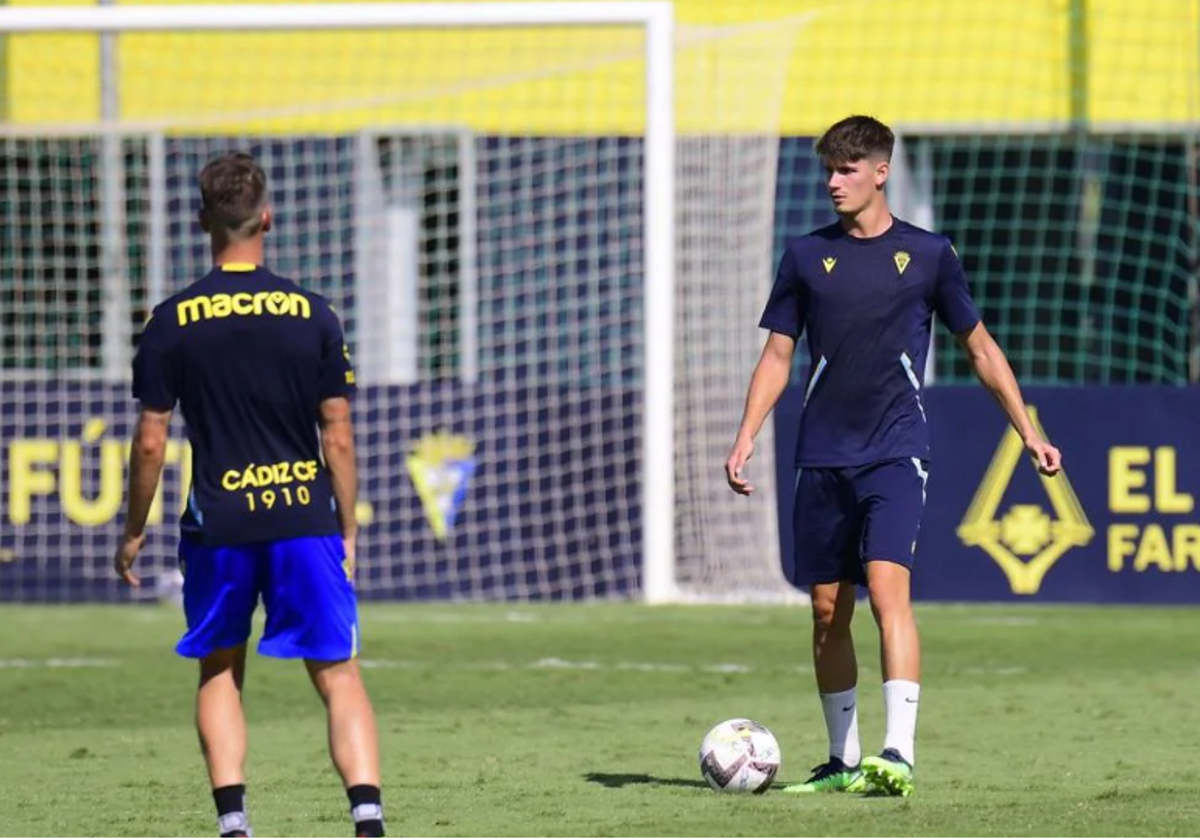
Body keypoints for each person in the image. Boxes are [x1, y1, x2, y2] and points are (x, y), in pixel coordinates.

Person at [724, 115, 1061, 797]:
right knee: (826, 609)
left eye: (847, 169)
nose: (832, 182)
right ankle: (840, 759)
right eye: (828, 170)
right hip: (821, 456)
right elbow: (779, 354)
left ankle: (897, 754)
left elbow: (980, 347)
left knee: (885, 591)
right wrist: (746, 432)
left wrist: (1026, 430)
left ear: (881, 172)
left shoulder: (931, 254)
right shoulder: (803, 257)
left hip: (895, 451)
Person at [113, 152, 384, 837]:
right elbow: (339, 435)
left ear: (202, 220)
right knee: (338, 672)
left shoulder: (172, 320)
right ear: (267, 217)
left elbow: (150, 441)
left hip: (220, 523)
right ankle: (368, 817)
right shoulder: (312, 314)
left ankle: (234, 824)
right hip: (302, 517)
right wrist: (347, 526)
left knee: (220, 666)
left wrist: (134, 530)